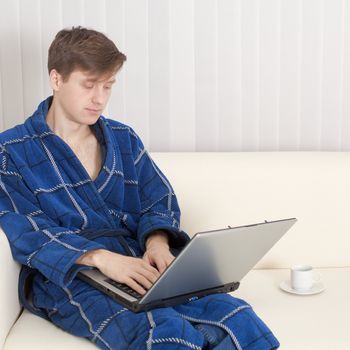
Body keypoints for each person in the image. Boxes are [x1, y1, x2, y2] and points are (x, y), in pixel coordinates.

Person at [0, 26, 279, 349]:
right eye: (89, 85)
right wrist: (99, 257)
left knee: (236, 318)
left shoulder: (123, 138)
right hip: (68, 275)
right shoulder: (11, 150)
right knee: (161, 331)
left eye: (108, 86)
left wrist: (158, 243)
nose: (100, 99)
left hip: (138, 260)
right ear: (57, 79)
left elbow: (157, 197)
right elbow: (22, 227)